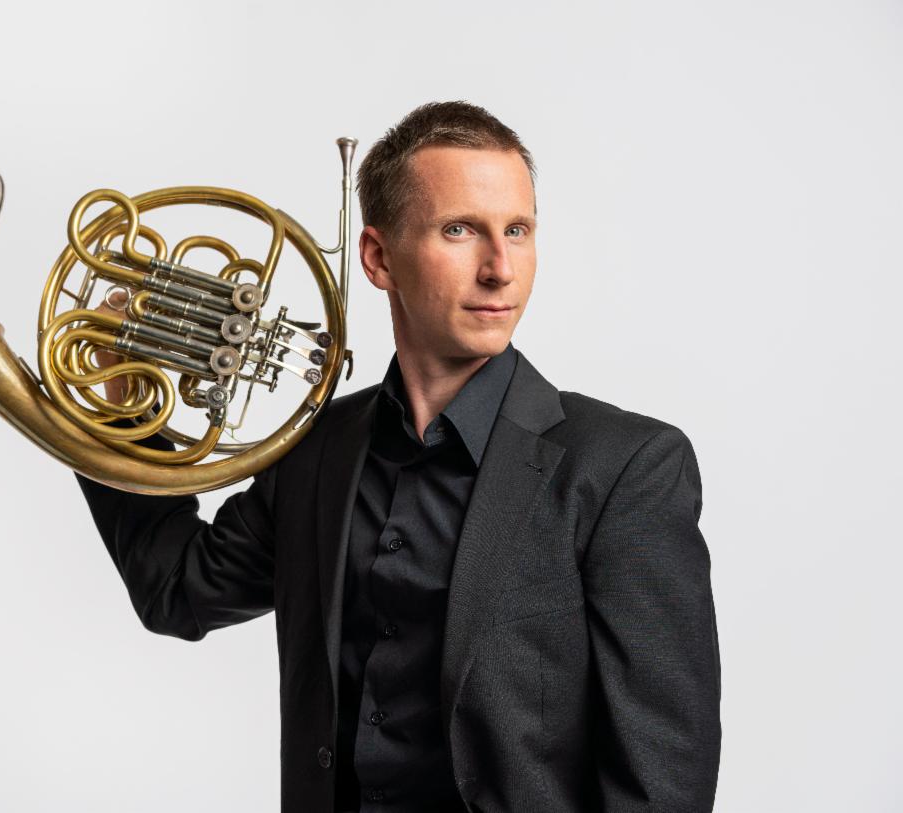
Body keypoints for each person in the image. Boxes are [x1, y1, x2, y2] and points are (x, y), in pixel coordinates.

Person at [76, 101, 721, 812]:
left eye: (517, 230)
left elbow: (662, 784)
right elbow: (176, 589)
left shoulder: (625, 467)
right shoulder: (314, 449)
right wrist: (120, 396)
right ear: (379, 258)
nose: (500, 269)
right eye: (459, 230)